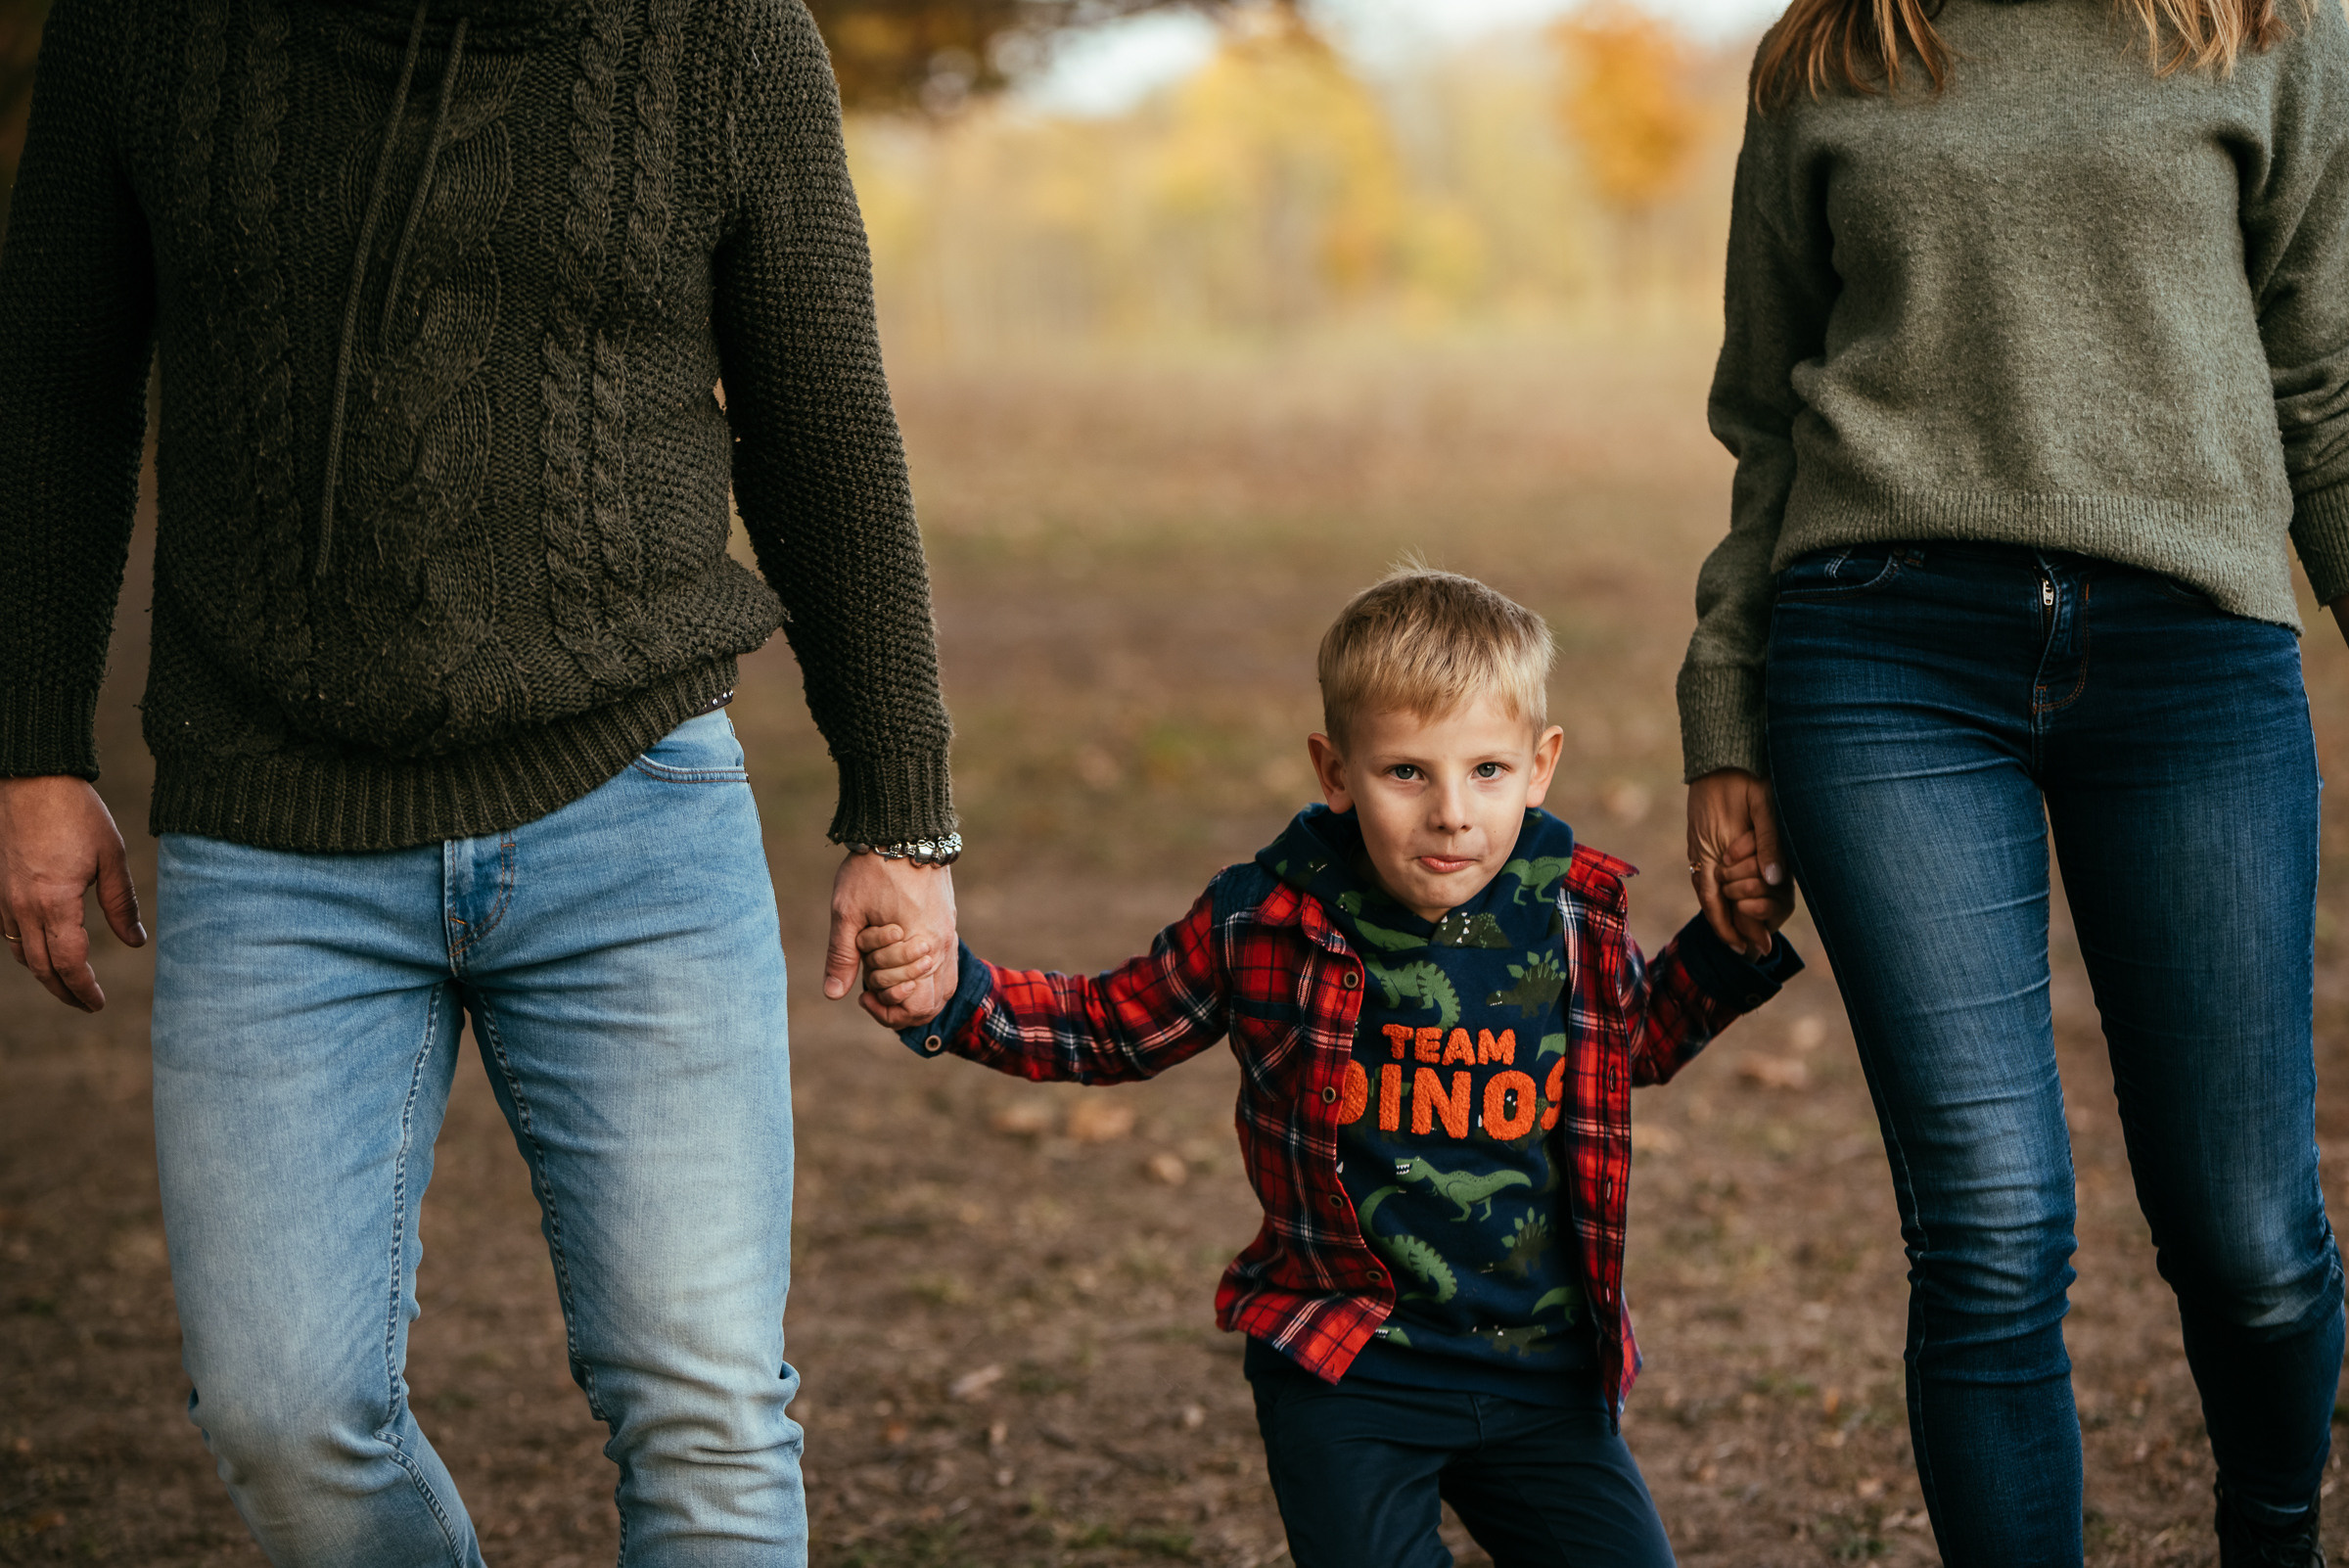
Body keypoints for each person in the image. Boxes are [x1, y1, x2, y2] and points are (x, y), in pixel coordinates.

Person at [0, 0, 958, 1559]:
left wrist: (902, 806)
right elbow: (53, 387)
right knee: (283, 1418)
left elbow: (822, 415)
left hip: (634, 805)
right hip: (274, 823)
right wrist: (33, 742)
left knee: (705, 1409)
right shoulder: (141, 30)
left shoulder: (725, 35)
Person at [1677, 0, 2349, 1560]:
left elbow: (2326, 382)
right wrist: (1727, 709)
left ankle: (2272, 1533)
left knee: (2251, 1240)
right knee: (1988, 1233)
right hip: (1883, 656)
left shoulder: (2267, 27)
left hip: (2193, 657)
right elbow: (1765, 418)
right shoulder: (1831, 50)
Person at [867, 571, 1801, 1567]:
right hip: (1351, 1369)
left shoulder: (1571, 915)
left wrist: (1728, 948)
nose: (1452, 813)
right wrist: (957, 997)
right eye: (1407, 772)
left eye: (1487, 770)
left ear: (1541, 767)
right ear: (1336, 770)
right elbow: (1113, 1026)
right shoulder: (1266, 917)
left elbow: (1633, 1045)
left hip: (1542, 1372)